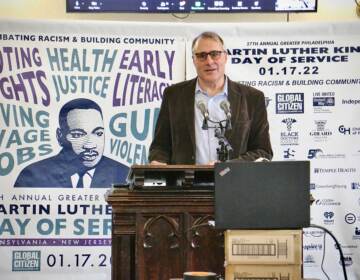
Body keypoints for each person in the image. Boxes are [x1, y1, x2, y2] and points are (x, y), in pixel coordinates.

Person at [148, 31, 272, 165]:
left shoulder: (252, 98)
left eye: (215, 54)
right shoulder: (173, 95)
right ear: (194, 61)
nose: (209, 61)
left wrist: (226, 167)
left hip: (235, 182)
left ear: (225, 57)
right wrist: (158, 161)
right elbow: (160, 146)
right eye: (201, 56)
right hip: (186, 183)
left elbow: (262, 151)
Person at [14, 98, 129, 188]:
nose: (90, 145)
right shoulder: (32, 177)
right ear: (60, 136)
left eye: (98, 133)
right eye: (78, 135)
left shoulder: (124, 176)